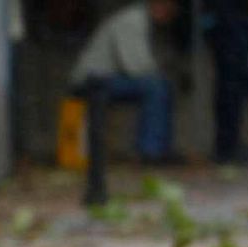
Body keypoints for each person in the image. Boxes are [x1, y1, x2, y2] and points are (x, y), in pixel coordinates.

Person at [69, 0, 183, 163]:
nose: (170, 14)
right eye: (168, 8)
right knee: (156, 88)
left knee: (161, 86)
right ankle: (151, 152)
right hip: (90, 82)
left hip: (105, 79)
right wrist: (161, 75)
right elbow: (135, 66)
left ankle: (160, 148)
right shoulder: (132, 20)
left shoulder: (145, 22)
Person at [203, 0, 248, 163]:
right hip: (229, 24)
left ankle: (229, 144)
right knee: (230, 88)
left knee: (233, 88)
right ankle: (227, 146)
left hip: (233, 23)